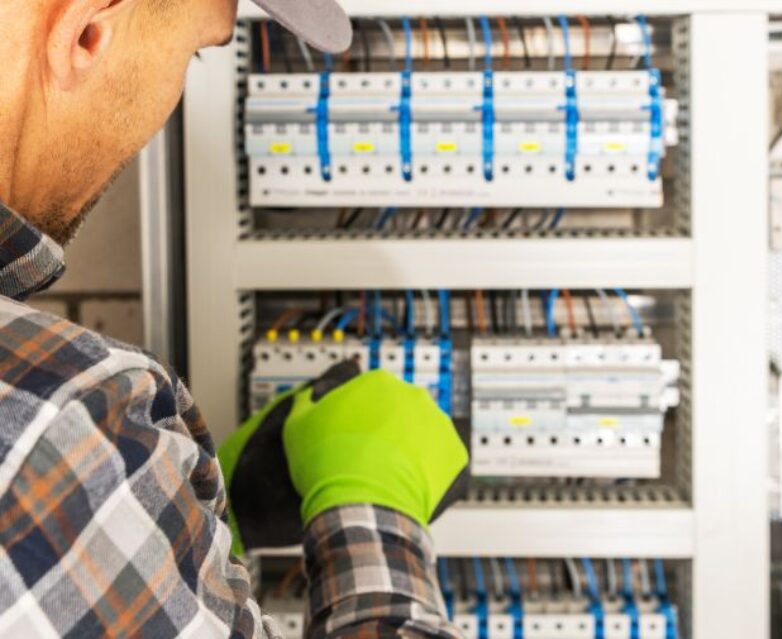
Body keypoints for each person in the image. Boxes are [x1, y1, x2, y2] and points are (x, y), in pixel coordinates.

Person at [0, 0, 468, 637]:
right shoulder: (55, 419)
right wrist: (370, 504)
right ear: (88, 30)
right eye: (193, 51)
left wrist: (178, 512)